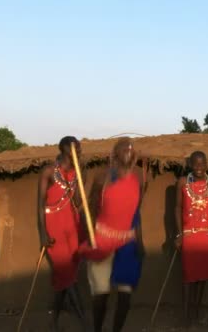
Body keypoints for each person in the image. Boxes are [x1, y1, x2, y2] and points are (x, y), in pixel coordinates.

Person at [78, 137, 147, 332]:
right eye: (124, 147)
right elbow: (90, 208)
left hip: (128, 241)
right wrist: (89, 237)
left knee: (125, 294)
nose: (129, 149)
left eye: (132, 148)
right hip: (102, 238)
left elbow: (136, 211)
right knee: (101, 294)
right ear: (115, 153)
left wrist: (140, 242)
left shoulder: (139, 177)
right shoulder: (103, 177)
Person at [37, 136, 86, 331]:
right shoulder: (49, 171)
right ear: (65, 148)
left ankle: (53, 321)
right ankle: (86, 323)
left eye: (80, 148)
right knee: (67, 274)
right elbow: (39, 204)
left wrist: (82, 184)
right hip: (54, 226)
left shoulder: (77, 172)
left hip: (73, 226)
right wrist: (42, 232)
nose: (79, 150)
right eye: (76, 147)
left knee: (65, 278)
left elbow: (77, 201)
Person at [174, 151, 208, 326]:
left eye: (202, 164)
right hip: (189, 235)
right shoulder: (182, 183)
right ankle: (186, 316)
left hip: (206, 236)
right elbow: (177, 208)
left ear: (206, 165)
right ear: (190, 165)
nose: (199, 168)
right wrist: (179, 234)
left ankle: (196, 310)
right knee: (188, 277)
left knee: (202, 277)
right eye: (195, 164)